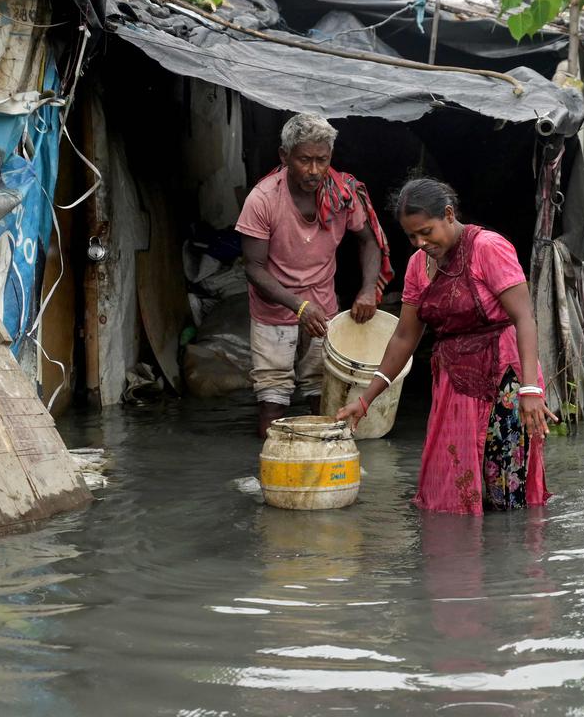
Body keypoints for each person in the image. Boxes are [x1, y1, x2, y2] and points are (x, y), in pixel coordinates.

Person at [336, 177, 555, 514]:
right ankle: (457, 560)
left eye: (426, 232)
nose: (420, 242)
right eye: (412, 236)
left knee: (506, 491)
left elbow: (524, 318)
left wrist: (529, 390)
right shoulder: (417, 267)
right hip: (456, 382)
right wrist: (365, 400)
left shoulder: (488, 248)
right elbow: (405, 337)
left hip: (506, 379)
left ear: (449, 215)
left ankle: (513, 561)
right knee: (450, 487)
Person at [236, 114, 392, 437]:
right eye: (304, 160)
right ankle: (274, 470)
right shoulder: (263, 199)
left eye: (322, 160)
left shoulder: (342, 194)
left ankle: (323, 469)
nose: (314, 170)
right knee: (272, 398)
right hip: (273, 311)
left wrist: (366, 290)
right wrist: (298, 306)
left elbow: (368, 242)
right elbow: (253, 267)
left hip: (324, 308)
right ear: (284, 156)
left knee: (324, 394)